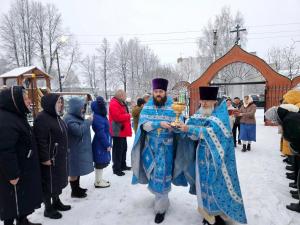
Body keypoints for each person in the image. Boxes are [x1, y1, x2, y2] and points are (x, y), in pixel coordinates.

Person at [177, 86, 247, 225]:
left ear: (214, 101)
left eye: (207, 100)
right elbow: (193, 134)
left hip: (218, 159)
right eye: (202, 100)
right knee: (203, 185)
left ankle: (220, 215)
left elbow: (212, 132)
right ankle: (207, 213)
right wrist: (182, 129)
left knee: (216, 185)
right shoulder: (199, 113)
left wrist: (190, 128)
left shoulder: (220, 115)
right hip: (201, 156)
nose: (204, 103)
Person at [131, 78, 178, 224]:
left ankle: (160, 209)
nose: (158, 94)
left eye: (161, 91)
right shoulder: (148, 106)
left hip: (166, 148)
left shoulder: (173, 107)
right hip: (150, 148)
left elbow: (179, 122)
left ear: (165, 92)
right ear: (153, 92)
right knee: (152, 175)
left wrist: (175, 126)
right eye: (156, 91)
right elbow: (144, 125)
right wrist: (159, 123)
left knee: (162, 177)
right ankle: (160, 199)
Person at [0, 86, 43, 225]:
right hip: (12, 173)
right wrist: (12, 175)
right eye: (25, 98)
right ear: (15, 100)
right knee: (11, 202)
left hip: (22, 167)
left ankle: (22, 220)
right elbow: (5, 150)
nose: (29, 101)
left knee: (20, 199)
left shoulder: (16, 115)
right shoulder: (5, 120)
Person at [34, 94, 71, 219]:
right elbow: (40, 140)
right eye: (58, 103)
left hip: (59, 157)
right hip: (50, 159)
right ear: (51, 104)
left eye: (61, 102)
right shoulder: (42, 118)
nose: (61, 105)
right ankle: (48, 208)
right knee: (49, 182)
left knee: (57, 181)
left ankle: (56, 201)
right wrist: (45, 158)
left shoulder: (57, 117)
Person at [265, 104, 300, 212]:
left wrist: (295, 149)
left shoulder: (289, 120)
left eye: (273, 120)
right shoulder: (289, 116)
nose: (274, 122)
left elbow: (295, 138)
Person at [63, 97, 94, 198]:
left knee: (77, 169)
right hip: (73, 149)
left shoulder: (74, 116)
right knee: (74, 171)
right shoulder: (68, 118)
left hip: (77, 148)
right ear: (75, 107)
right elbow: (78, 131)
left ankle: (77, 188)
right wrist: (88, 121)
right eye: (81, 107)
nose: (83, 109)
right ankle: (74, 191)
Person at [109, 90, 132, 176]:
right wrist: (128, 116)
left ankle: (122, 165)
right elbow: (117, 117)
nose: (126, 97)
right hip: (118, 130)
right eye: (125, 95)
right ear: (120, 95)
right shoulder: (114, 103)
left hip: (122, 130)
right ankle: (116, 168)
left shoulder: (120, 102)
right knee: (118, 150)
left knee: (123, 148)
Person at [91, 96, 111, 188]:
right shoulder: (98, 118)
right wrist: (107, 144)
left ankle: (99, 179)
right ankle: (98, 182)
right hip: (100, 143)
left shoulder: (100, 116)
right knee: (99, 162)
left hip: (102, 142)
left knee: (102, 161)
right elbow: (100, 133)